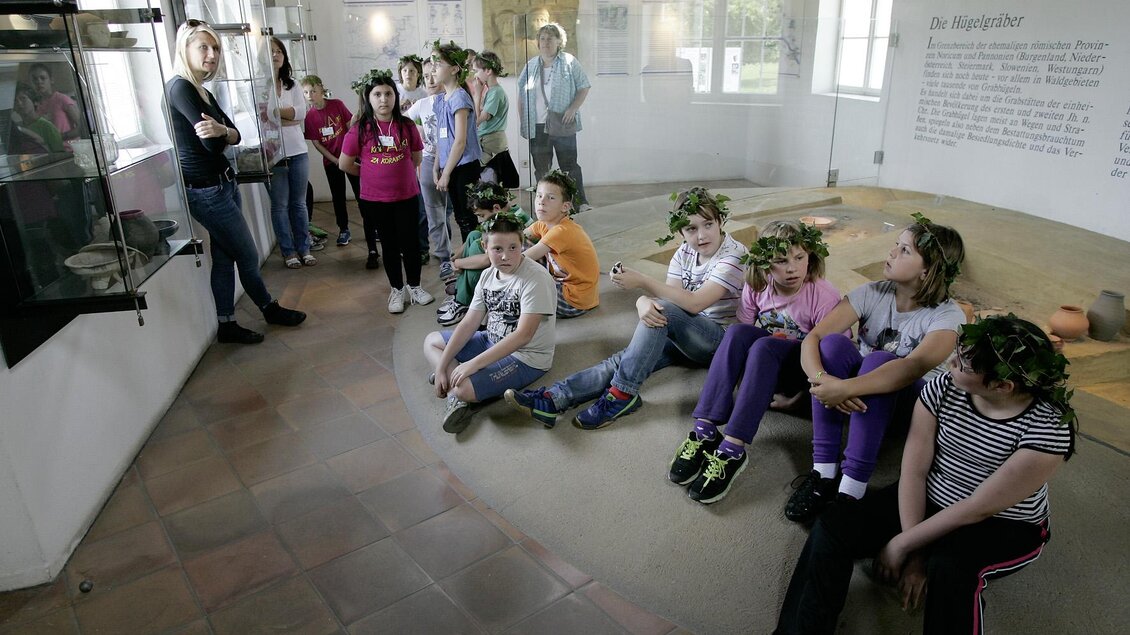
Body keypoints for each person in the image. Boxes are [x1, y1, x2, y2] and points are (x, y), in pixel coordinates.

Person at [775, 314, 1076, 635]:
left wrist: (901, 545)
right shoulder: (944, 387)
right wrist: (915, 550)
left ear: (1002, 386)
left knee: (951, 569)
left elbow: (979, 507)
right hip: (933, 493)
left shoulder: (1049, 428)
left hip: (1003, 523)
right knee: (834, 526)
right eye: (958, 352)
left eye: (963, 364)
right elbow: (915, 471)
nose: (951, 362)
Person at [506, 187, 746, 429]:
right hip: (684, 334)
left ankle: (622, 395)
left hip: (720, 343)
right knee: (622, 359)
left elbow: (695, 303)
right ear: (680, 232)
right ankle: (555, 398)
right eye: (691, 229)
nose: (701, 235)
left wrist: (642, 282)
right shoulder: (684, 252)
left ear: (720, 221)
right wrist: (642, 301)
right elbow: (673, 298)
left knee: (659, 312)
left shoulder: (732, 256)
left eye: (707, 225)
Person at [785, 213, 966, 523]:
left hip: (906, 408)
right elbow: (812, 339)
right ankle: (823, 473)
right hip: (855, 398)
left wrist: (845, 388)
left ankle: (851, 491)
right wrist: (822, 380)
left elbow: (912, 369)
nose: (892, 252)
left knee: (882, 360)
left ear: (928, 270)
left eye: (906, 250)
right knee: (832, 345)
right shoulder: (872, 293)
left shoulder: (949, 317)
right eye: (896, 245)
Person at [670, 221, 841, 504]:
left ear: (811, 256)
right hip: (764, 368)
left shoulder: (823, 295)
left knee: (764, 345)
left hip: (803, 374)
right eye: (781, 261)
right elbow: (743, 337)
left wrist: (798, 400)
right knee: (737, 332)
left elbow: (833, 358)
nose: (792, 268)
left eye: (800, 258)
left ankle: (733, 448)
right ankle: (705, 429)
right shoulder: (756, 286)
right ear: (763, 264)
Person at [165, 20, 305, 344]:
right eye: (203, 47)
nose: (211, 54)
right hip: (206, 191)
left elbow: (234, 134)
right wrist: (223, 134)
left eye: (215, 48)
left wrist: (224, 132)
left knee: (226, 257)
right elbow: (214, 144)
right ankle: (269, 307)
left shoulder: (202, 91)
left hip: (222, 185)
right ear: (185, 49)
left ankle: (226, 324)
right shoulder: (180, 88)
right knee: (246, 252)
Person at [424, 212, 557, 434]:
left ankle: (456, 392)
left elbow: (524, 335)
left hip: (526, 356)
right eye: (497, 249)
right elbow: (469, 323)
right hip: (491, 339)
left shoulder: (536, 279)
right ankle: (451, 383)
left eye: (513, 248)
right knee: (431, 341)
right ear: (485, 247)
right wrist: (440, 366)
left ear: (522, 245)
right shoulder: (487, 275)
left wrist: (473, 364)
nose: (506, 256)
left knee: (463, 388)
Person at [338, 69, 432, 314]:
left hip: (407, 196)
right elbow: (344, 164)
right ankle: (397, 290)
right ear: (368, 98)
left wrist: (397, 174)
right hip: (376, 200)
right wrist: (370, 174)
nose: (383, 99)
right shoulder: (360, 129)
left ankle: (415, 286)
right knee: (389, 245)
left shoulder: (406, 125)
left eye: (388, 93)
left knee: (410, 243)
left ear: (395, 96)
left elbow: (416, 157)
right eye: (377, 94)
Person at [517, 22, 592, 212]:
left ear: (559, 41)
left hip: (562, 123)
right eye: (542, 38)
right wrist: (523, 121)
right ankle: (545, 206)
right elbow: (521, 94)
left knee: (570, 166)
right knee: (542, 168)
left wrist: (573, 108)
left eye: (550, 38)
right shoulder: (531, 65)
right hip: (537, 125)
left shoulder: (569, 62)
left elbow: (584, 86)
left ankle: (579, 203)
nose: (546, 42)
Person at [435, 181, 531, 326]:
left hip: (516, 268)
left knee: (476, 249)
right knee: (474, 235)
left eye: (482, 215)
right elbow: (479, 235)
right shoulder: (506, 213)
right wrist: (454, 257)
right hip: (506, 261)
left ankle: (463, 301)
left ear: (496, 208)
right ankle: (462, 290)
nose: (480, 220)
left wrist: (458, 263)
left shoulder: (511, 222)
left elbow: (487, 260)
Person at [523, 169, 598, 318]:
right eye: (538, 195)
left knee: (519, 278)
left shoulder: (563, 231)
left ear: (565, 207)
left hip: (574, 299)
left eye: (550, 198)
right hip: (561, 282)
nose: (541, 201)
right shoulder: (544, 223)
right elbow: (517, 239)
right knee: (516, 246)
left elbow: (520, 259)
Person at [406, 59, 455, 281]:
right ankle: (444, 256)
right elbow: (404, 122)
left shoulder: (454, 99)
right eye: (425, 76)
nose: (430, 79)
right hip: (427, 161)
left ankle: (464, 253)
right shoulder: (422, 104)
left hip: (453, 161)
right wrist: (416, 128)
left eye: (433, 74)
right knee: (434, 213)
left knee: (449, 211)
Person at [267, 36, 313, 269]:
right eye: (270, 51)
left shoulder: (292, 84)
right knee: (279, 205)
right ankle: (288, 251)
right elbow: (262, 118)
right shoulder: (257, 85)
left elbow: (301, 113)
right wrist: (285, 116)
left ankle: (304, 248)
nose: (275, 55)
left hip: (297, 150)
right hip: (272, 154)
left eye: (279, 51)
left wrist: (277, 114)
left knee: (299, 203)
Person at [301, 75, 361, 248]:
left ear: (321, 89)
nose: (310, 95)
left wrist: (356, 121)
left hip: (351, 157)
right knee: (338, 197)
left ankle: (372, 228)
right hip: (332, 163)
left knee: (360, 193)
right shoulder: (310, 117)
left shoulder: (337, 104)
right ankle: (344, 229)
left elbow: (350, 125)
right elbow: (316, 143)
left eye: (313, 90)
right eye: (306, 92)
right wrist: (335, 160)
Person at [431, 40, 482, 243]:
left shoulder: (460, 97)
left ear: (454, 69)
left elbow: (460, 141)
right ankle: (470, 259)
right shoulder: (442, 99)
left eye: (438, 63)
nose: (433, 68)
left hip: (464, 167)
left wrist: (447, 173)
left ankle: (477, 263)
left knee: (469, 218)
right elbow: (441, 138)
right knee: (460, 217)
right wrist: (437, 166)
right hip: (450, 166)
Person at [472, 50, 520, 188]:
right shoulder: (492, 91)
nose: (475, 75)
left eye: (476, 71)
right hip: (488, 140)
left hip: (491, 142)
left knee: (488, 182)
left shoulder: (496, 92)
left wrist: (477, 95)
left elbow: (480, 118)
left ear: (487, 71)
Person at [27, 62, 82, 145]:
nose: (39, 82)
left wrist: (58, 137)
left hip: (70, 151)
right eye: (34, 79)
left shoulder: (62, 99)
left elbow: (81, 128)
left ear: (51, 80)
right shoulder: (36, 107)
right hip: (52, 153)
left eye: (43, 78)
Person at [11, 82, 64, 153]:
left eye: (23, 98)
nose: (19, 103)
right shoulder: (17, 129)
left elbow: (60, 154)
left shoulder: (47, 126)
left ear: (34, 102)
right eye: (15, 101)